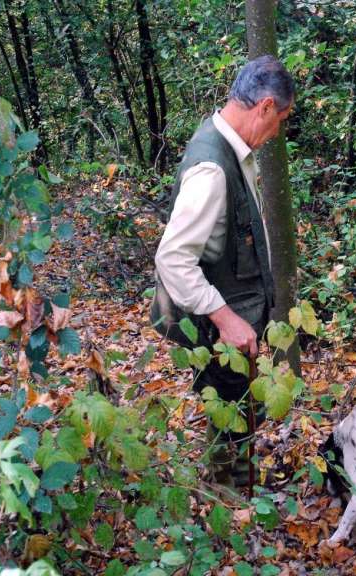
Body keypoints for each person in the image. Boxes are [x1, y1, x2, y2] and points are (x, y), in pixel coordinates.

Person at [151, 55, 294, 492]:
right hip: (219, 323)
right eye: (280, 120)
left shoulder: (229, 144)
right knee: (231, 410)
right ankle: (233, 505)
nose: (277, 132)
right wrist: (225, 317)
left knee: (237, 409)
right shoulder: (213, 169)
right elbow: (173, 258)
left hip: (234, 313)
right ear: (265, 107)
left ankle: (234, 490)